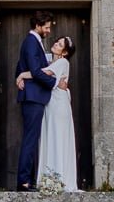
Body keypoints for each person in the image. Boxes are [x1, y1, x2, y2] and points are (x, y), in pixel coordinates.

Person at [24, 36, 78, 192]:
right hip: (50, 104)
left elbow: (41, 73)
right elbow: (40, 65)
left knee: (57, 138)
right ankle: (49, 178)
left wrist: (21, 75)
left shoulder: (62, 62)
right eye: (57, 41)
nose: (56, 44)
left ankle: (60, 178)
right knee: (49, 137)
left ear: (65, 52)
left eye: (60, 44)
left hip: (59, 105)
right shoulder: (50, 59)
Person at [13, 10, 57, 191]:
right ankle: (23, 181)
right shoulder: (31, 42)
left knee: (32, 138)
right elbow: (36, 71)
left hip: (33, 96)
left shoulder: (34, 43)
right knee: (30, 139)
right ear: (38, 26)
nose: (48, 31)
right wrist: (54, 82)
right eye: (46, 27)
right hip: (33, 97)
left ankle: (28, 180)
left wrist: (21, 75)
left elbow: (20, 67)